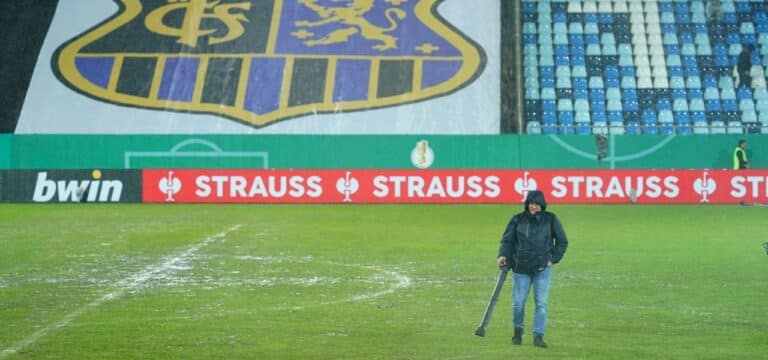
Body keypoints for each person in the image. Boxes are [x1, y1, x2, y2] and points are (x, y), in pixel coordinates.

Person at [496, 190, 568, 348]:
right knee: (518, 304)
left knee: (541, 304)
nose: (533, 206)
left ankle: (538, 336)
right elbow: (507, 240)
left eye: (536, 204)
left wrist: (553, 259)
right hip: (521, 268)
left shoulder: (551, 219)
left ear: (542, 205)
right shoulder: (517, 219)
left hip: (542, 269)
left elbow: (562, 241)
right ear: (527, 204)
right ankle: (518, 331)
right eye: (531, 203)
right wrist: (502, 255)